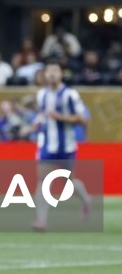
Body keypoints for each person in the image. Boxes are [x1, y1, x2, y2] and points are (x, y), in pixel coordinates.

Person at [30, 61, 91, 231]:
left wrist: (61, 117)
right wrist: (36, 124)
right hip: (47, 145)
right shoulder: (41, 94)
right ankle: (41, 221)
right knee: (42, 181)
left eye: (55, 71)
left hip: (67, 146)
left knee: (67, 182)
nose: (52, 74)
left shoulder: (70, 94)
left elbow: (81, 118)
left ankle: (85, 198)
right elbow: (42, 114)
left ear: (61, 74)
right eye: (49, 71)